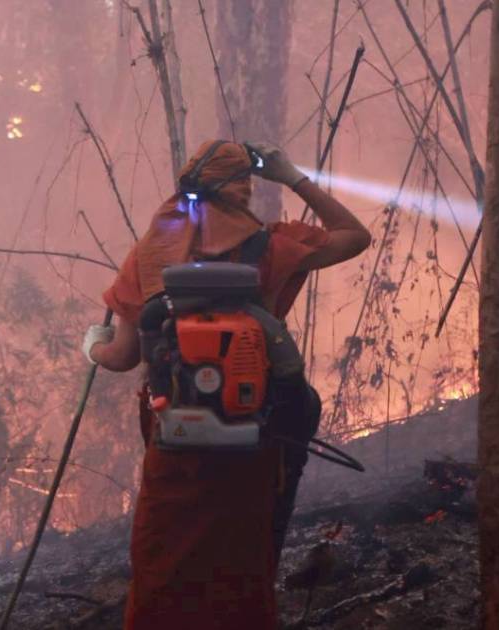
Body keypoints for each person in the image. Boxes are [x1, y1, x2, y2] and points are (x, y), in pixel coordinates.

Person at [82, 140, 370, 629]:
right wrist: (292, 175)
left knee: (162, 558)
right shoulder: (271, 247)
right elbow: (353, 235)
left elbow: (122, 356)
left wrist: (93, 344)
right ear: (240, 190)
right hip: (252, 432)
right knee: (241, 557)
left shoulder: (150, 256)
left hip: (174, 437)